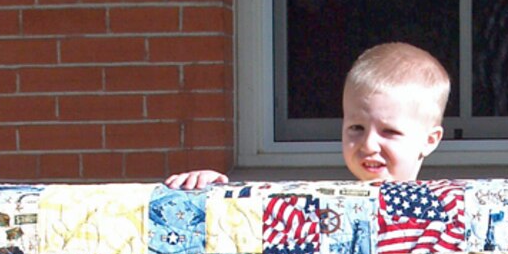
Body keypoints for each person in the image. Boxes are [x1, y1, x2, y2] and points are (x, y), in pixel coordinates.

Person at [165, 42, 449, 190]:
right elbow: (254, 215)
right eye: (356, 128)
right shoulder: (318, 211)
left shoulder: (447, 214)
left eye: (389, 132)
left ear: (430, 140)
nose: (368, 144)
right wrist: (211, 194)